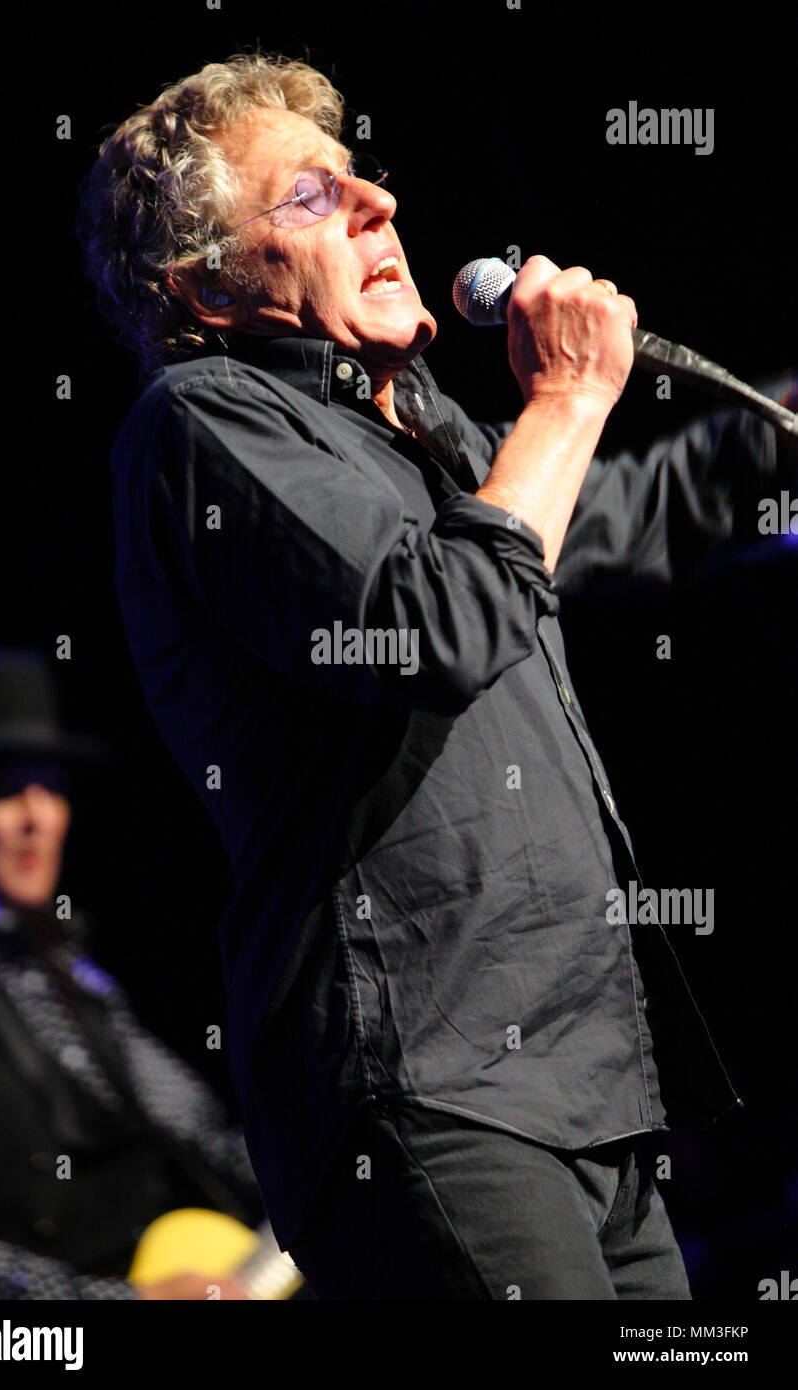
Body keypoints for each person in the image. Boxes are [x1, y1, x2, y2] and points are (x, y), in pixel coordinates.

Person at [78, 53, 795, 1298]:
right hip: (427, 1090)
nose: (378, 208)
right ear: (205, 283)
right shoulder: (201, 423)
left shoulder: (420, 427)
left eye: (365, 180)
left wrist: (772, 436)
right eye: (311, 198)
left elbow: (605, 520)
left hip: (589, 1092)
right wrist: (566, 396)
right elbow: (435, 622)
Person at [0, 647, 297, 1301]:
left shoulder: (74, 981)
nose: (37, 818)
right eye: (4, 788)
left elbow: (202, 1137)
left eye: (50, 787)